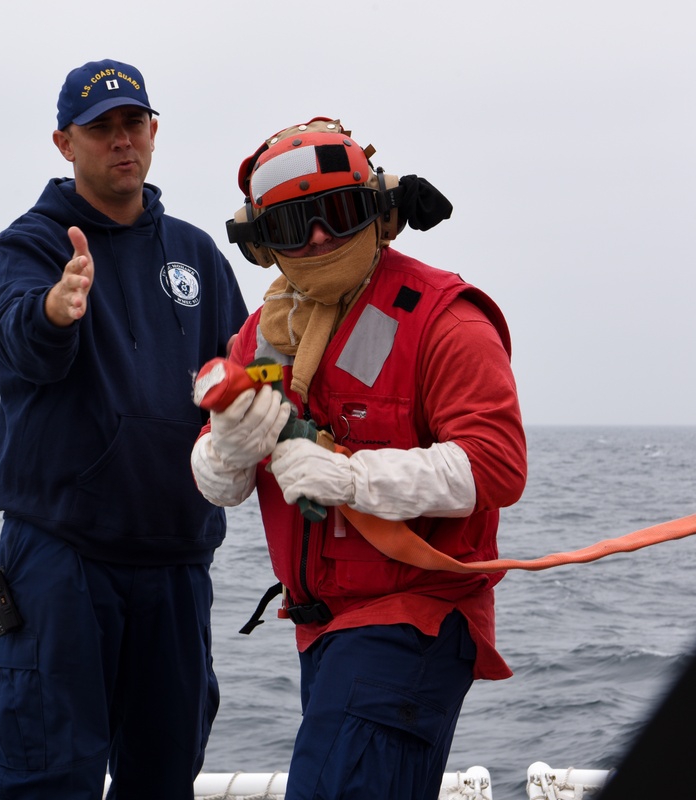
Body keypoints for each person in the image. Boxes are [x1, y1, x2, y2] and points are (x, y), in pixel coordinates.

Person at [191, 118, 527, 800]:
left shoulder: (445, 319)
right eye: (293, 225)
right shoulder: (264, 336)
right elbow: (218, 483)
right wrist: (225, 449)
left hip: (414, 620)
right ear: (264, 246)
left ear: (378, 214)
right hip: (324, 636)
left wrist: (353, 478)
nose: (319, 238)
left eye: (338, 214)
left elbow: (497, 465)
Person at [0, 59, 249, 800]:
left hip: (175, 563)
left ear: (154, 131)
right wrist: (53, 312)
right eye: (101, 129)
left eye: (133, 123)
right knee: (49, 778)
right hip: (61, 559)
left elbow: (248, 381)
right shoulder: (33, 244)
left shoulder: (197, 254)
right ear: (65, 143)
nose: (121, 140)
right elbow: (18, 336)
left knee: (164, 778)